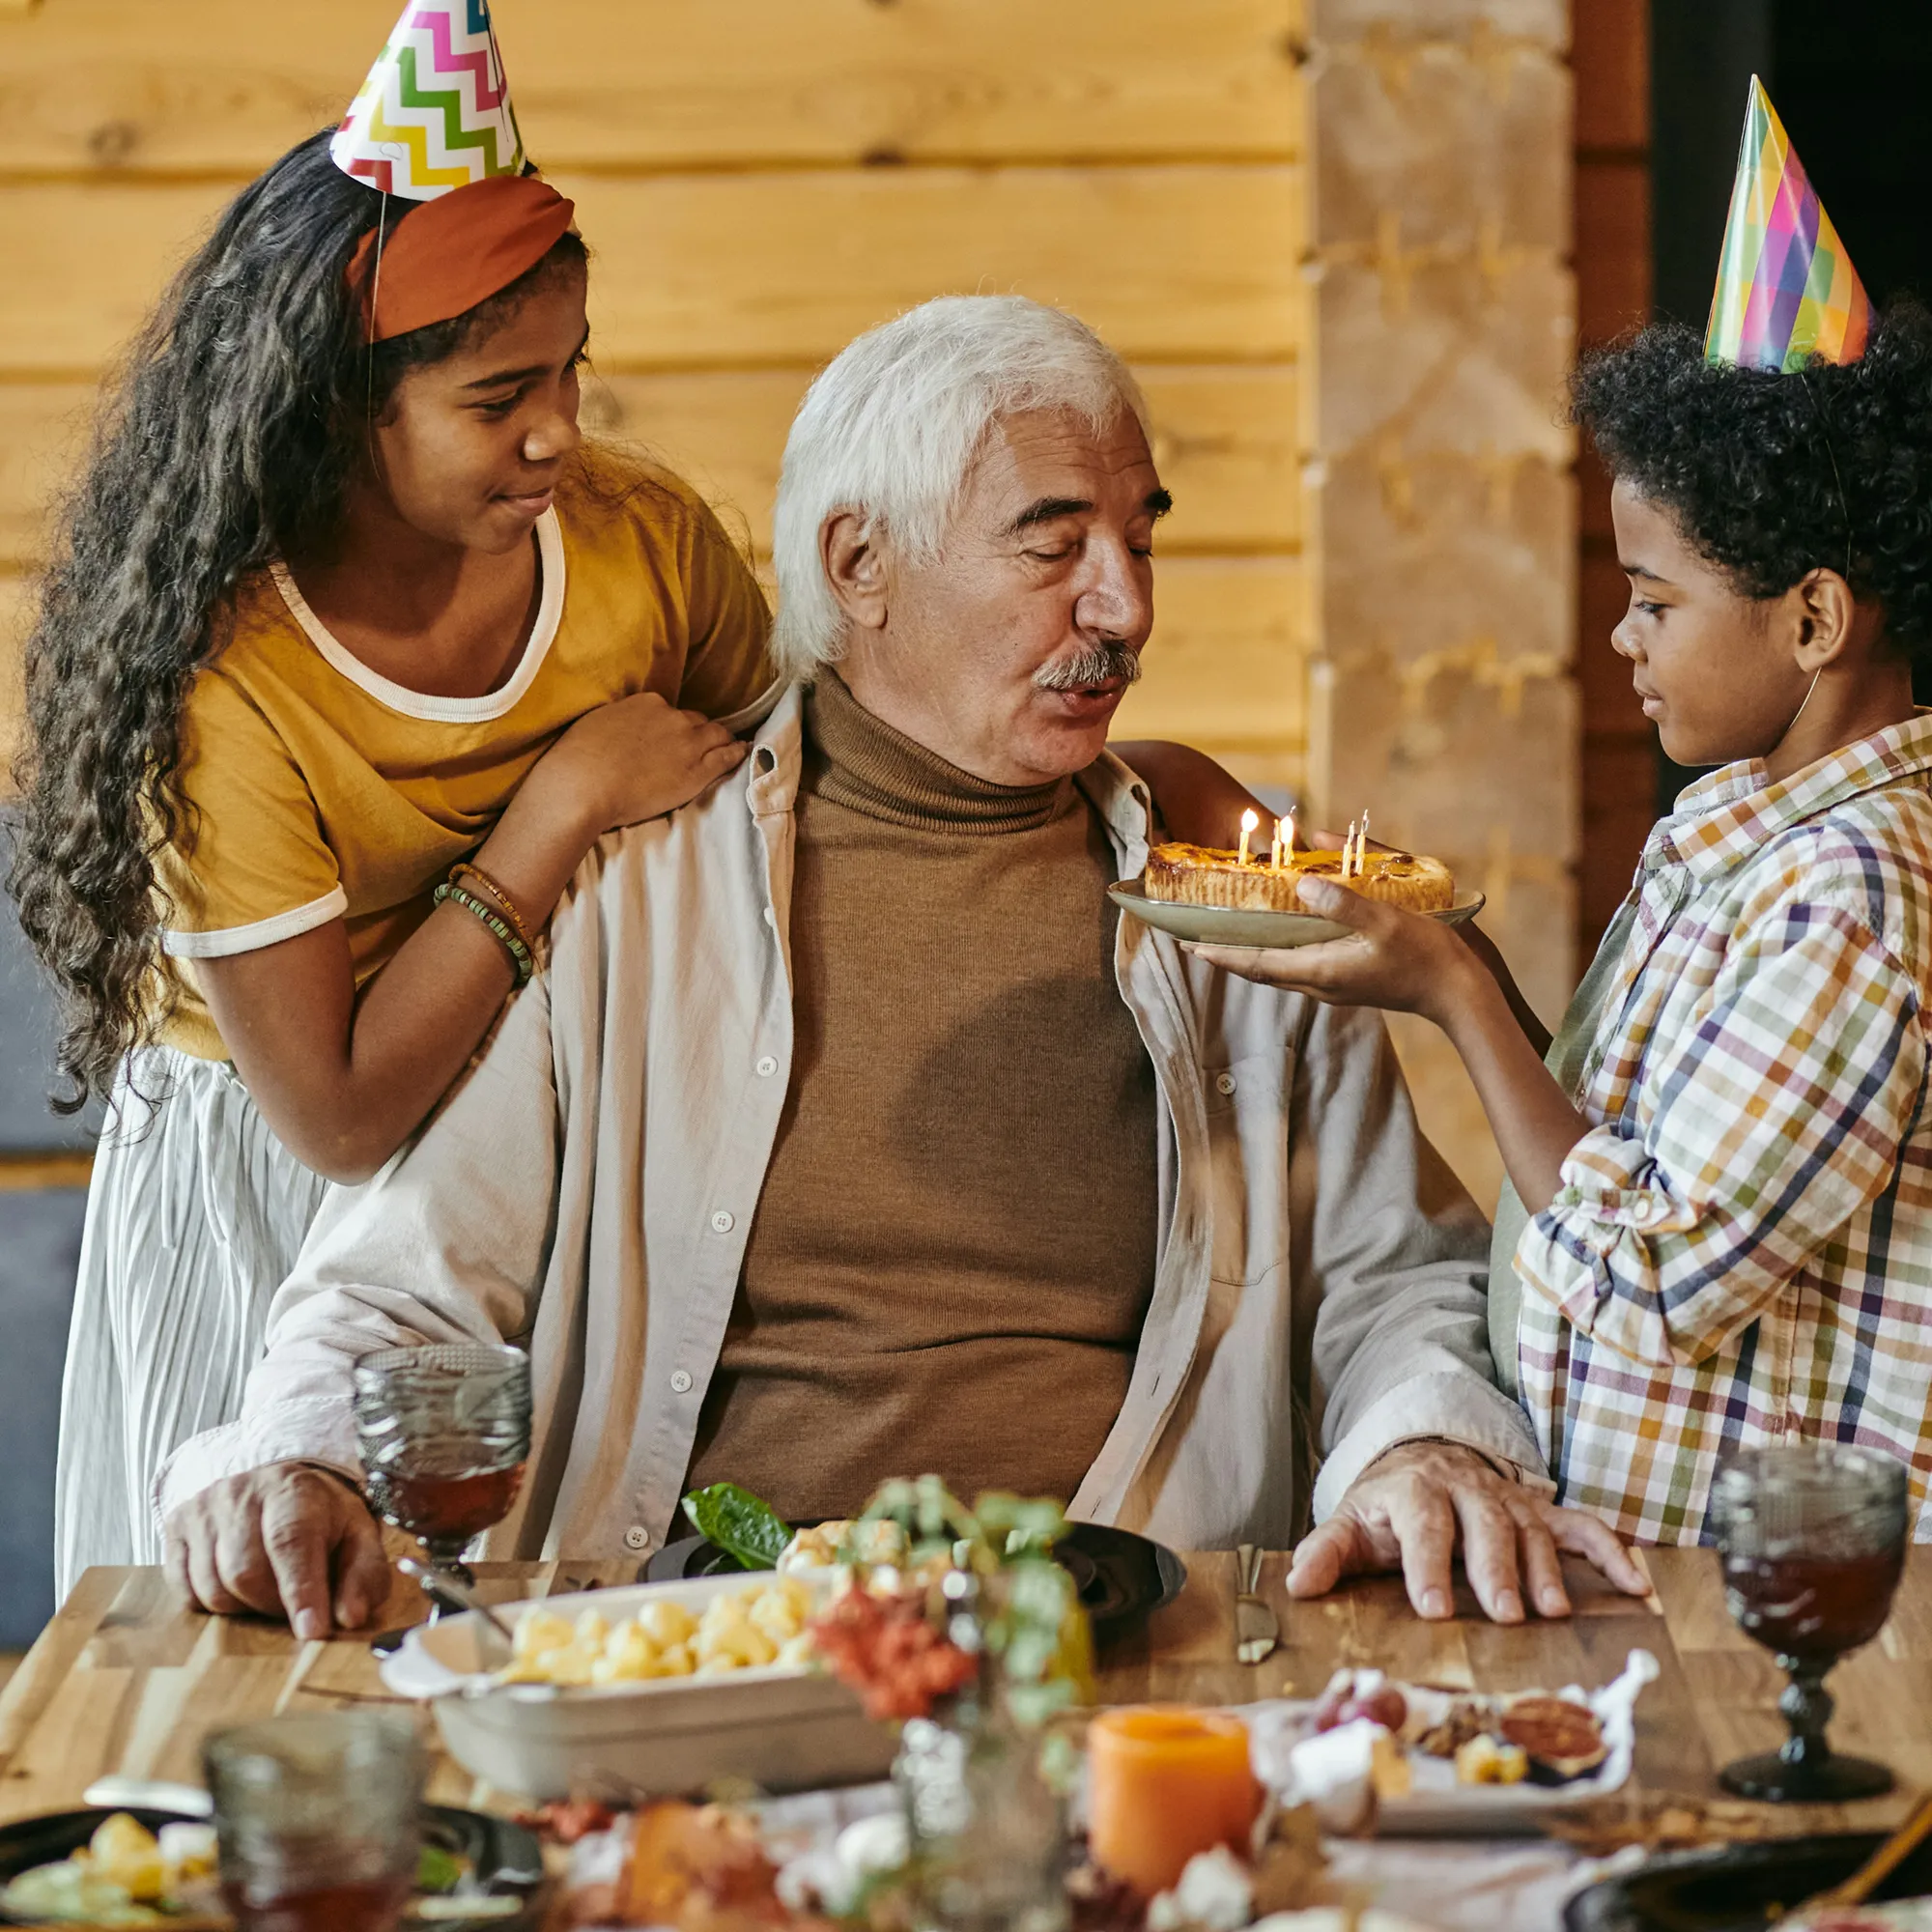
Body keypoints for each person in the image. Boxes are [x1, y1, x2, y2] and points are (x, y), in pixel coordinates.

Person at [157, 295, 1647, 1639]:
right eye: (1053, 544)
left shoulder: (1234, 900)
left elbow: (1395, 1280)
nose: (1125, 608)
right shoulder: (635, 884)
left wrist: (1427, 1443)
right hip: (706, 1651)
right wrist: (295, 1459)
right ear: (858, 563)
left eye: (1143, 537)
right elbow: (401, 1293)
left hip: (1140, 1646)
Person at [9, 0, 780, 1597]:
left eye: (570, 371)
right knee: (256, 1649)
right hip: (275, 1190)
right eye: (498, 400)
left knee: (510, 1638)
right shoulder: (228, 679)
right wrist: (559, 806)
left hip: (549, 1172)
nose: (560, 431)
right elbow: (342, 1113)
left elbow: (777, 821)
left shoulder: (646, 549)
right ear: (334, 409)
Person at [1191, 87, 1932, 1543]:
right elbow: (1627, 1161)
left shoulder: (1854, 899)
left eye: (1655, 605)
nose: (1622, 644)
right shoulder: (1740, 834)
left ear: (1815, 618)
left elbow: (1652, 1279)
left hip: (1784, 1600)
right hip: (1654, 1567)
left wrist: (1460, 1000)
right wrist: (1455, 968)